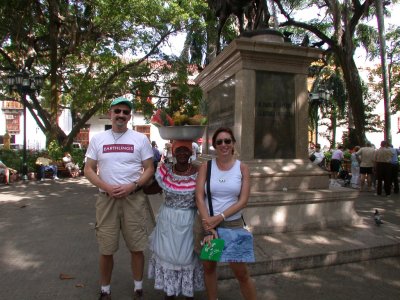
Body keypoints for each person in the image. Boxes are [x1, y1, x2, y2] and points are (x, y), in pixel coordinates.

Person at [84, 97, 154, 300]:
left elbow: (149, 168)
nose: (121, 115)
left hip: (134, 199)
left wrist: (133, 185)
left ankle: (138, 288)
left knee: (137, 246)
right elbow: (88, 169)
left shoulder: (140, 139)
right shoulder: (98, 139)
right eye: (117, 111)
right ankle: (105, 290)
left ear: (129, 116)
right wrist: (105, 187)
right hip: (107, 201)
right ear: (110, 113)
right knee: (106, 248)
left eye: (125, 112)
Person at [195, 127, 257, 300]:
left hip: (232, 226)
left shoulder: (242, 168)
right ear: (214, 145)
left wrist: (219, 217)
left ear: (233, 144)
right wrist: (208, 224)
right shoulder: (206, 167)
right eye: (219, 142)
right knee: (209, 267)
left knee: (241, 272)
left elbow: (243, 201)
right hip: (209, 227)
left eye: (227, 141)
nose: (223, 145)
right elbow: (199, 197)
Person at [148, 140, 204, 299]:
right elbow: (151, 189)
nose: (182, 153)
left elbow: (205, 196)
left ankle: (188, 293)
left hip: (189, 221)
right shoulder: (165, 172)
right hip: (168, 220)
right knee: (168, 256)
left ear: (192, 152)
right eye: (178, 150)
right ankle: (170, 292)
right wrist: (147, 174)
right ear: (173, 152)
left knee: (188, 258)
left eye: (186, 150)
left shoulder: (199, 172)